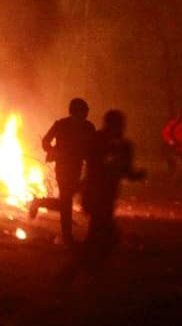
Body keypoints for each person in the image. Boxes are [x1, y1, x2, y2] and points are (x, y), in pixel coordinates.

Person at [62, 110, 145, 280]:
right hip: (95, 197)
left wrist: (137, 175)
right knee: (106, 236)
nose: (121, 128)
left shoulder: (121, 145)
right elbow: (94, 166)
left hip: (105, 198)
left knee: (99, 236)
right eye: (119, 125)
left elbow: (125, 171)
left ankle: (83, 270)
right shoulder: (100, 141)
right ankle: (78, 270)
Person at [29, 98, 95, 246]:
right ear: (74, 112)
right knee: (66, 199)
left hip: (77, 166)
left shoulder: (88, 127)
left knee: (67, 198)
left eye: (86, 112)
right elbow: (46, 141)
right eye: (83, 111)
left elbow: (93, 147)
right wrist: (54, 152)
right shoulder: (61, 125)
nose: (85, 114)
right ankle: (67, 236)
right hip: (63, 166)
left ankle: (40, 202)